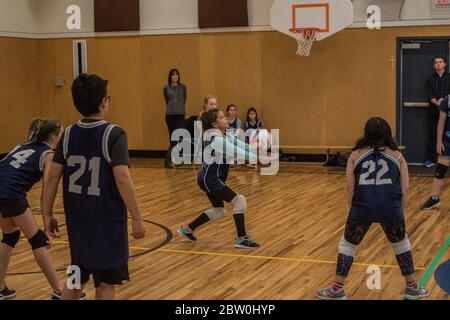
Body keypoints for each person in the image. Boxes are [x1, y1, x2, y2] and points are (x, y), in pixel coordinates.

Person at [42, 74, 146, 300]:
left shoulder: (67, 133)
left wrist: (47, 213)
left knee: (75, 276)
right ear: (103, 102)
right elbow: (122, 178)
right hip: (106, 221)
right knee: (106, 283)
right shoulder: (114, 133)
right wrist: (137, 217)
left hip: (78, 221)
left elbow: (51, 177)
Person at [315, 117, 428, 300]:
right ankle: (412, 287)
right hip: (391, 208)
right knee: (401, 244)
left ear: (366, 134)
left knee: (348, 244)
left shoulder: (355, 155)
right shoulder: (398, 156)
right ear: (387, 133)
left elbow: (350, 187)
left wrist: (354, 209)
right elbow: (406, 188)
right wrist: (400, 210)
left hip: (362, 207)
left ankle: (337, 289)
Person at [0, 119, 64, 300]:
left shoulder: (21, 146)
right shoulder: (48, 154)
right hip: (11, 194)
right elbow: (48, 185)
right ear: (54, 137)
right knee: (38, 240)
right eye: (62, 134)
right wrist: (47, 220)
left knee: (10, 236)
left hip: (2, 191)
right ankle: (59, 289)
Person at [178, 109, 260, 249]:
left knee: (219, 210)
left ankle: (187, 229)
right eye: (222, 118)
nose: (226, 119)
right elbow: (236, 152)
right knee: (239, 201)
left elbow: (241, 146)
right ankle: (242, 238)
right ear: (215, 124)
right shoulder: (216, 139)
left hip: (207, 178)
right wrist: (256, 156)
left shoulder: (224, 135)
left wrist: (257, 149)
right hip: (211, 179)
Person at [421, 94, 450, 210]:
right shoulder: (447, 100)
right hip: (448, 139)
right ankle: (434, 198)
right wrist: (439, 141)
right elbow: (441, 121)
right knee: (442, 165)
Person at [424, 56, 450, 168]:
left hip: (448, 113)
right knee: (432, 136)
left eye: (440, 62)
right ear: (434, 66)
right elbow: (429, 95)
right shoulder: (430, 79)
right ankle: (431, 159)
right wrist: (438, 103)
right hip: (434, 113)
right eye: (436, 62)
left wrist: (444, 101)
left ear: (444, 64)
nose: (438, 64)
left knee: (448, 136)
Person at [163, 69, 187, 168]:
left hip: (180, 115)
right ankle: (168, 161)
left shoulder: (183, 87)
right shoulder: (166, 87)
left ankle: (177, 158)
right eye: (173, 75)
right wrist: (173, 108)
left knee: (180, 137)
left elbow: (184, 100)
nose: (175, 76)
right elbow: (166, 101)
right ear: (170, 77)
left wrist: (179, 108)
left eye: (177, 75)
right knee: (173, 138)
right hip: (170, 115)